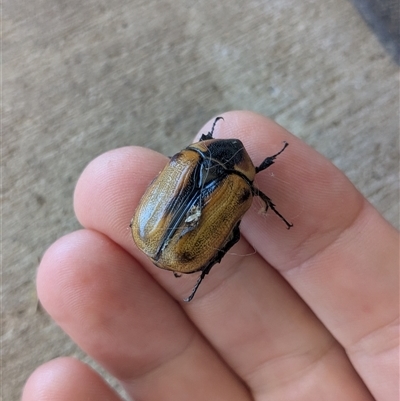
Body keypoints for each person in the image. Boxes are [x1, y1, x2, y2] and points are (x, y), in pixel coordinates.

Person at [22, 111, 399, 400]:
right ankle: (202, 271)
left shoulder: (189, 161)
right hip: (172, 242)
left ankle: (201, 270)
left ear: (204, 144)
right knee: (227, 228)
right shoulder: (239, 186)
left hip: (152, 231)